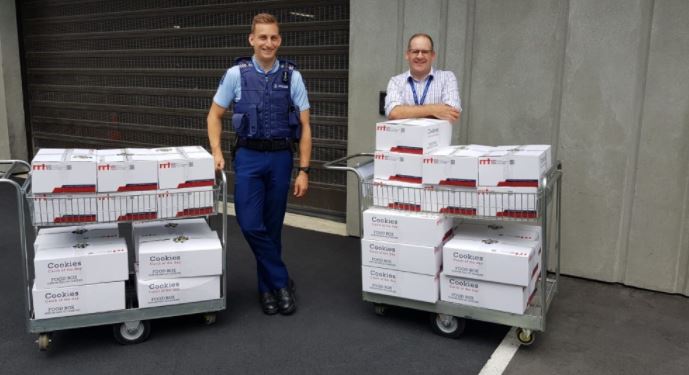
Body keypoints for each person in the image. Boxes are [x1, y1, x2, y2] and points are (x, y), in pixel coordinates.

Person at [207, 13, 311, 316]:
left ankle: (267, 290)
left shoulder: (293, 76)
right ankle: (281, 281)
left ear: (279, 40)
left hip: (281, 158)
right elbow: (214, 115)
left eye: (273, 37)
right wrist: (216, 150)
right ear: (252, 39)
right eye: (262, 37)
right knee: (250, 223)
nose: (268, 42)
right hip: (249, 158)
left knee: (273, 227)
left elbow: (305, 126)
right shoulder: (236, 74)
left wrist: (304, 170)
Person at [384, 33, 462, 122]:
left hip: (437, 136)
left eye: (425, 52)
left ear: (432, 55)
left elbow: (452, 112)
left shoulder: (447, 78)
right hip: (406, 136)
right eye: (415, 51)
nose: (420, 56)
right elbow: (393, 113)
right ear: (407, 54)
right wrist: (434, 110)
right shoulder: (396, 81)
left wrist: (407, 113)